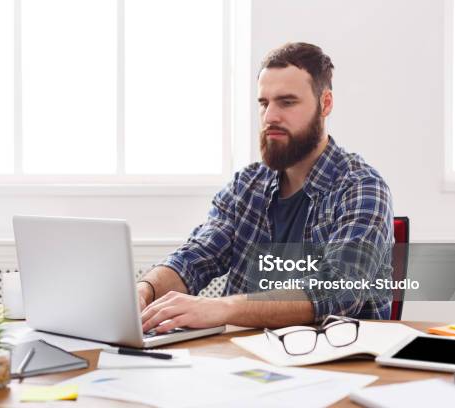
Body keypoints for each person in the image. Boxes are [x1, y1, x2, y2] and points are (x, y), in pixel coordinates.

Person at [139, 42, 394, 333]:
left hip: (337, 363)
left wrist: (222, 309)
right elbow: (196, 257)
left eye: (287, 102)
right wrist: (145, 290)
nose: (270, 116)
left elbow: (339, 290)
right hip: (246, 361)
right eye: (264, 103)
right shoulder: (245, 187)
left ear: (325, 104)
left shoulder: (362, 187)